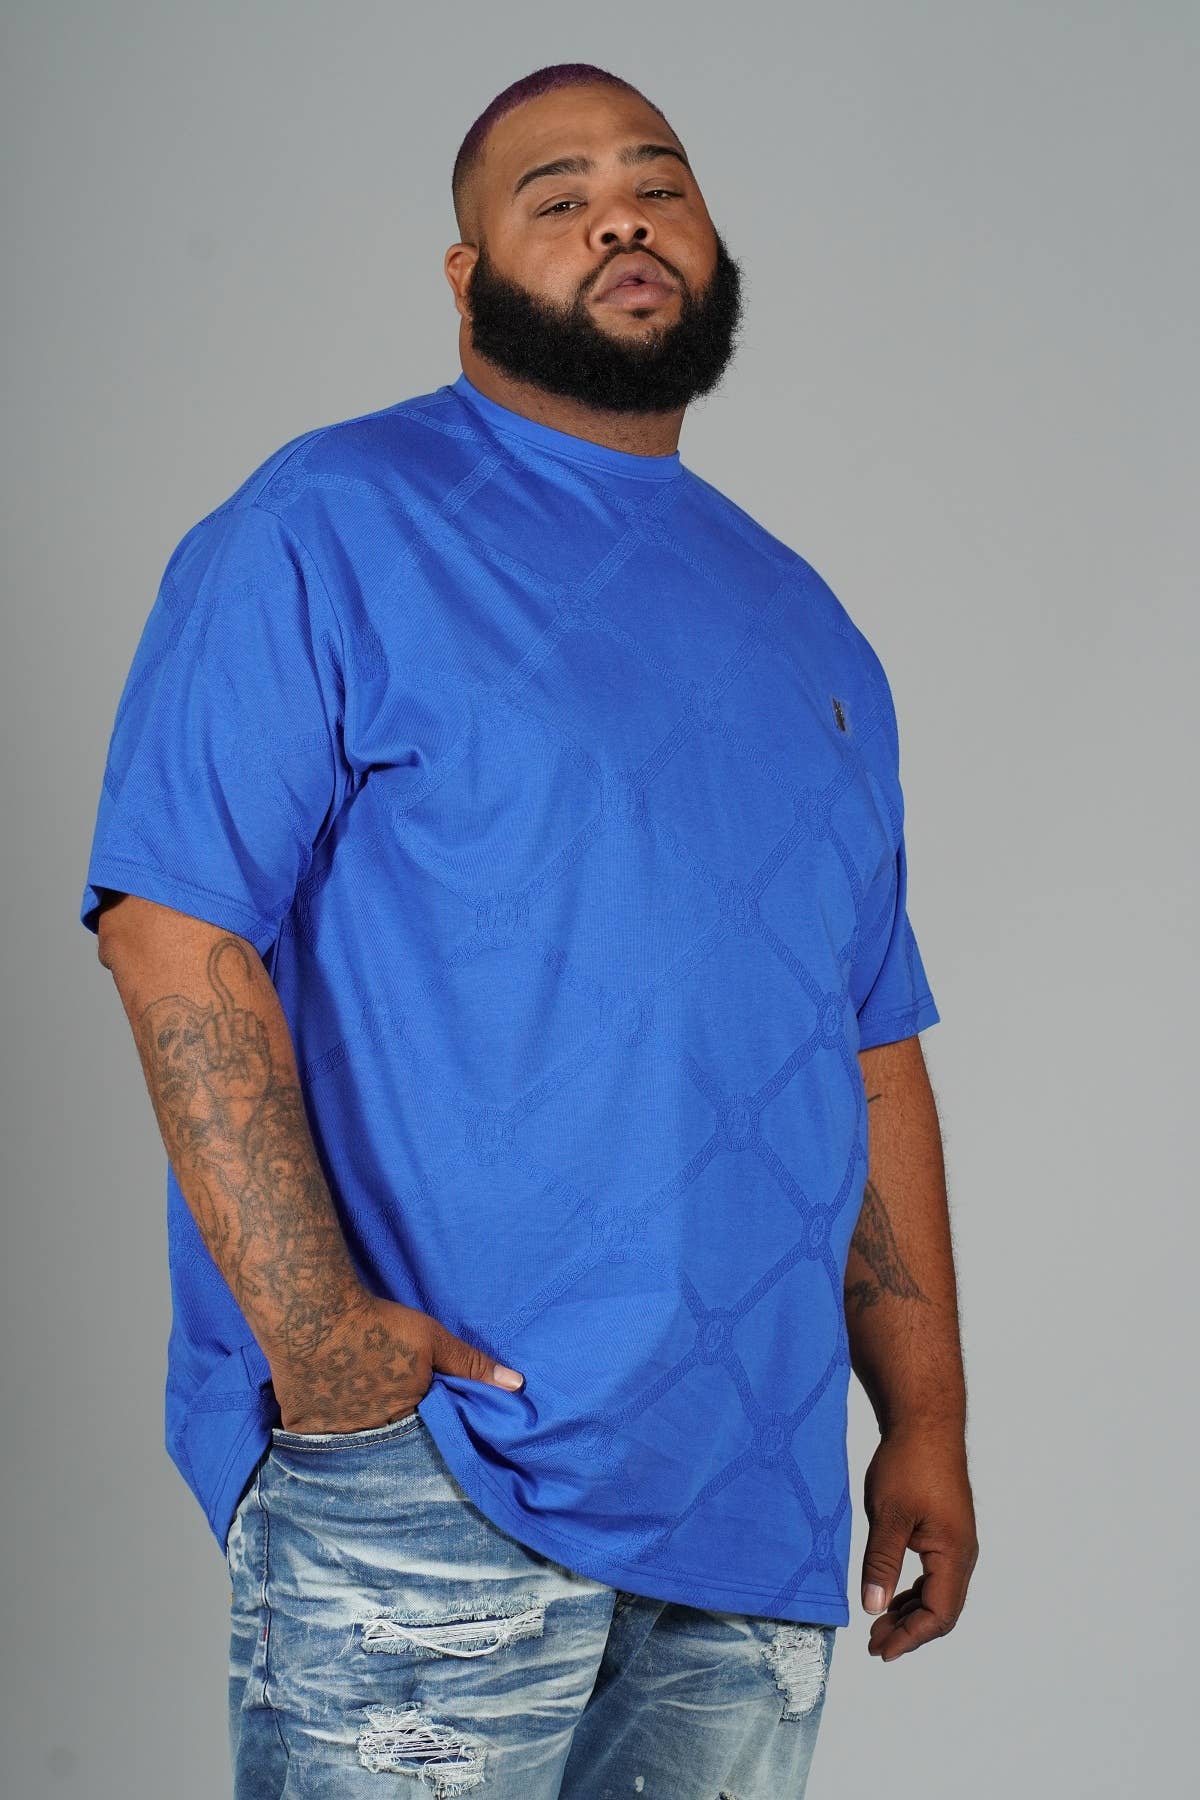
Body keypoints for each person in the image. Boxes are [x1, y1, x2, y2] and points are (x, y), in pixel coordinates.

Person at [80, 60, 977, 1799]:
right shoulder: (328, 523)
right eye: (556, 199)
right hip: (440, 1473)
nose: (621, 219)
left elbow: (866, 1042)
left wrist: (925, 1419)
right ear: (466, 271)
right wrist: (325, 1345)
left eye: (659, 184)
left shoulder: (811, 628)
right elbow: (171, 930)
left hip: (755, 1515)